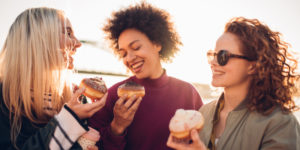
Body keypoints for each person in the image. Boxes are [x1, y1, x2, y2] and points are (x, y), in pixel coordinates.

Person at [167, 17, 300, 150]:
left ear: (252, 66)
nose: (213, 62)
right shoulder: (204, 113)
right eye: (212, 54)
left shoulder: (280, 123)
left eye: (223, 56)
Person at [88, 2, 203, 150]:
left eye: (136, 47)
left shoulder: (188, 93)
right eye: (123, 53)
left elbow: (204, 142)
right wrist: (117, 127)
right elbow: (90, 145)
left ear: (157, 43)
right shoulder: (112, 95)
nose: (129, 58)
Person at [0, 7, 107, 150]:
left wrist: (118, 126)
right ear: (39, 40)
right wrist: (70, 118)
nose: (78, 43)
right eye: (68, 33)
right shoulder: (3, 99)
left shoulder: (75, 97)